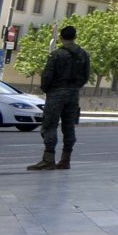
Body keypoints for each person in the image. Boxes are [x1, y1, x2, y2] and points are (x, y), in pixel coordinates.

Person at [28, 25, 91, 171]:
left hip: (56, 93)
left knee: (49, 125)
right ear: (75, 37)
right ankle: (65, 159)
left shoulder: (57, 54)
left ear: (61, 37)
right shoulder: (84, 55)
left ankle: (48, 159)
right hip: (73, 94)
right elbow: (86, 76)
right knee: (68, 126)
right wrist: (75, 87)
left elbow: (47, 75)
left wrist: (46, 89)